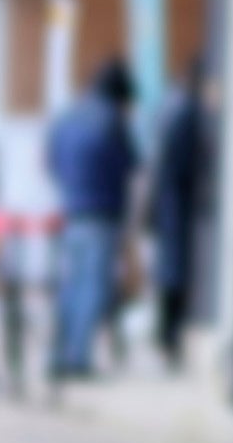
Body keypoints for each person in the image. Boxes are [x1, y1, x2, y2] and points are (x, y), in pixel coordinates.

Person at [45, 57, 137, 379]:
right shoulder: (112, 120)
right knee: (92, 287)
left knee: (70, 285)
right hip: (102, 213)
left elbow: (51, 160)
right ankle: (77, 359)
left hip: (71, 212)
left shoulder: (68, 115)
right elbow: (128, 166)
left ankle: (58, 354)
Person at [148, 58, 208, 369]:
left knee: (169, 272)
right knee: (174, 273)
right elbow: (184, 164)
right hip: (176, 205)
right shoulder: (185, 112)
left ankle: (166, 337)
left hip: (168, 203)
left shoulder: (169, 108)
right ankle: (168, 339)